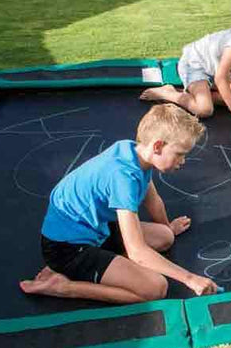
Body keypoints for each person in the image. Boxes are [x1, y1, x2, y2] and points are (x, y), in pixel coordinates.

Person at [19, 104, 219, 303]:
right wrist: (190, 278)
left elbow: (154, 201)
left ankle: (113, 267)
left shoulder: (134, 151)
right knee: (155, 288)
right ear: (158, 146)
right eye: (180, 153)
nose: (182, 160)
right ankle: (63, 286)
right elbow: (137, 252)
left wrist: (166, 226)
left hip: (95, 230)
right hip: (66, 248)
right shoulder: (123, 178)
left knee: (165, 236)